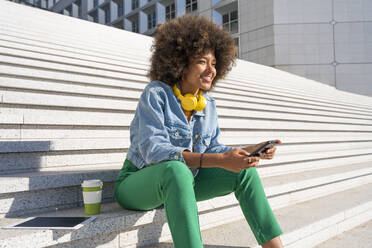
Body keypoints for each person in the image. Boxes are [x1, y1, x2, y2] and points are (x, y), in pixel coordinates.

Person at [114, 15, 284, 248]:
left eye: (214, 63)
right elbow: (154, 151)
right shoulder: (156, 94)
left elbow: (213, 148)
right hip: (138, 182)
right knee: (177, 169)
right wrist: (220, 159)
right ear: (181, 63)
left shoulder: (207, 104)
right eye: (202, 62)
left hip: (182, 183)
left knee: (245, 172)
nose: (211, 70)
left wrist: (248, 151)